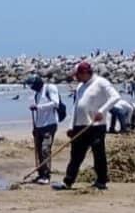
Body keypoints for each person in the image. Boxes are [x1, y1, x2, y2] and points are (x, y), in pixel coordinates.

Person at [52, 62, 122, 191]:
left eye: (77, 75)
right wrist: (71, 125)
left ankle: (101, 181)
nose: (75, 78)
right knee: (76, 156)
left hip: (96, 125)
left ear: (85, 73)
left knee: (98, 154)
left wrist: (102, 111)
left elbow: (115, 97)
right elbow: (76, 106)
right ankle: (68, 181)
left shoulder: (101, 82)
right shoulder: (80, 87)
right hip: (80, 126)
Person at [26, 74, 61, 185]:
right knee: (39, 150)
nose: (32, 88)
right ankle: (41, 173)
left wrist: (38, 107)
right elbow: (39, 113)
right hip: (39, 126)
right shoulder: (37, 95)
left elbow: (56, 103)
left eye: (32, 85)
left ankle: (46, 175)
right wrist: (35, 127)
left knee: (45, 149)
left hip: (50, 125)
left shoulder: (49, 88)